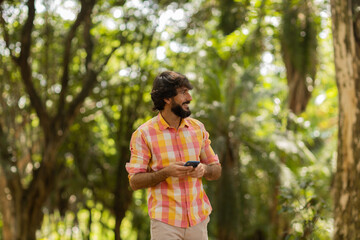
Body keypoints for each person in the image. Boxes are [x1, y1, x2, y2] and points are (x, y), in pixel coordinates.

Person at [125, 70, 222, 240]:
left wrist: (204, 169)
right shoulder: (143, 134)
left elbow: (216, 170)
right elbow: (134, 181)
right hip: (165, 223)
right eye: (183, 92)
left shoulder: (197, 128)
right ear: (167, 98)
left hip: (198, 220)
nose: (189, 97)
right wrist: (165, 172)